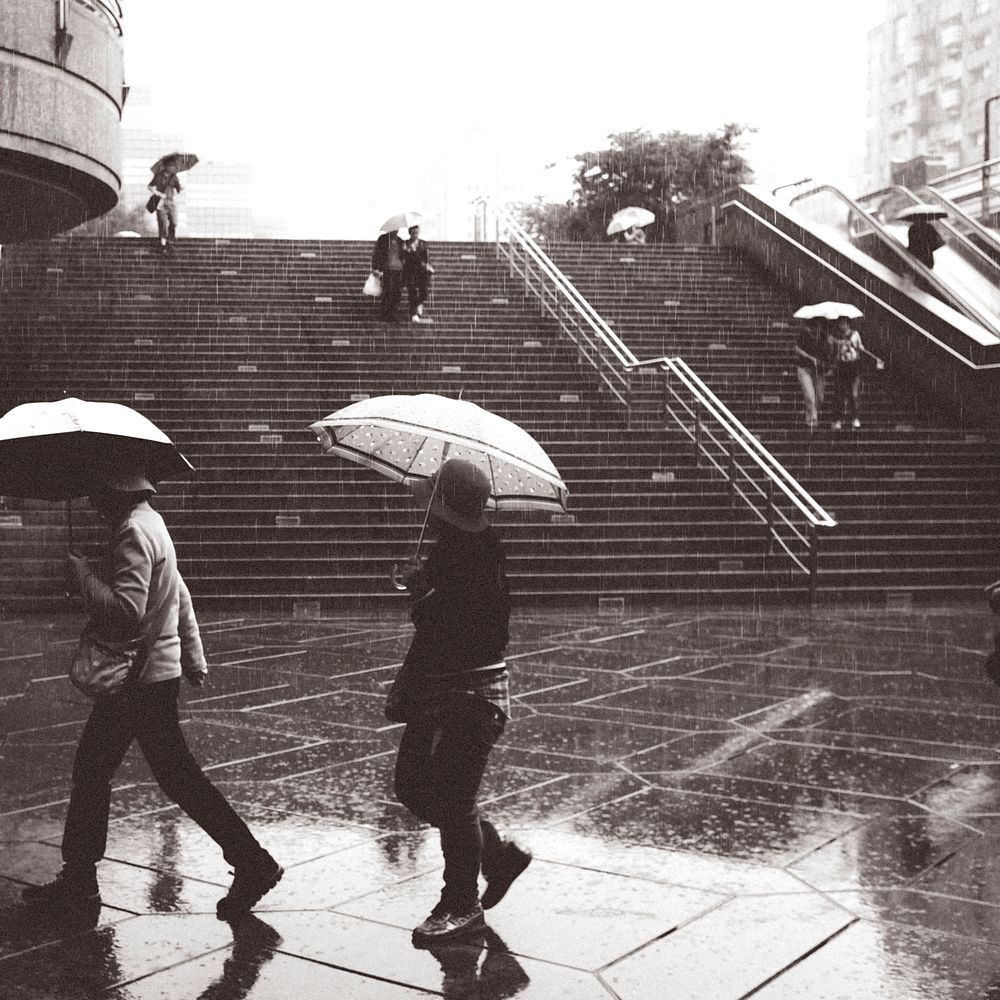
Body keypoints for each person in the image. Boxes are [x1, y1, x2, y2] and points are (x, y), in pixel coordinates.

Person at [21, 468, 283, 922]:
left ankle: (82, 881)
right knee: (165, 776)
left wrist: (83, 575)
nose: (89, 501)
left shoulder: (131, 533)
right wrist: (192, 656)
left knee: (100, 773)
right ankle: (250, 861)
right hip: (153, 678)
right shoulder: (152, 522)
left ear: (112, 488)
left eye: (95, 491)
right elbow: (178, 594)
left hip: (136, 683)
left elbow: (127, 610)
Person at [388, 459, 531, 945]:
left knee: (453, 798)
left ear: (445, 499)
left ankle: (461, 903)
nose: (421, 490)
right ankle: (494, 855)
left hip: (472, 696)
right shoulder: (452, 546)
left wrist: (422, 590)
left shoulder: (477, 551)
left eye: (431, 487)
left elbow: (470, 631)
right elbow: (443, 622)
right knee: (411, 785)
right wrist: (423, 584)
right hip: (440, 690)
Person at [793, 317, 834, 431]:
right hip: (805, 368)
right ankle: (813, 418)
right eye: (815, 326)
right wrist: (809, 357)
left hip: (819, 370)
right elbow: (797, 348)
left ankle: (811, 412)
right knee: (810, 395)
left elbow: (829, 354)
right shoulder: (804, 334)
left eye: (819, 326)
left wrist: (830, 346)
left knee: (820, 397)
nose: (817, 328)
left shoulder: (824, 337)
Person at [828, 316, 866, 430]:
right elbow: (831, 352)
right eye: (840, 323)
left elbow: (860, 347)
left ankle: (855, 418)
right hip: (840, 366)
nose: (842, 325)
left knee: (854, 394)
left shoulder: (855, 334)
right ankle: (837, 419)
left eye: (844, 323)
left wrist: (860, 347)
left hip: (853, 366)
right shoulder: (834, 336)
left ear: (849, 324)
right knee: (839, 394)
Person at [403, 225, 434, 324]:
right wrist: (407, 251)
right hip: (410, 272)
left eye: (417, 232)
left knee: (423, 292)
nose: (415, 235)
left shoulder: (423, 243)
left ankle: (419, 304)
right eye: (413, 233)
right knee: (412, 293)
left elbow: (426, 258)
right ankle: (413, 314)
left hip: (422, 272)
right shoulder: (405, 243)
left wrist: (427, 266)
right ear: (410, 233)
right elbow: (403, 258)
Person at [371, 229, 405, 321]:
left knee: (397, 292)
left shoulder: (400, 241)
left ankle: (392, 312)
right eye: (394, 229)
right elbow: (376, 254)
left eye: (397, 229)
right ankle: (385, 313)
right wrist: (375, 268)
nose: (396, 231)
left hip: (398, 269)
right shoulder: (383, 239)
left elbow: (403, 255)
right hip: (387, 269)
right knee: (387, 290)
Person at [149, 166, 182, 255]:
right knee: (162, 223)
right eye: (169, 165)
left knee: (174, 222)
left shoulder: (174, 177)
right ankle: (162, 245)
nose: (171, 167)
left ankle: (170, 242)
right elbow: (150, 186)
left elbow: (178, 189)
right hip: (160, 202)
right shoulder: (158, 176)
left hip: (171, 202)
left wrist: (180, 188)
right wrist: (158, 193)